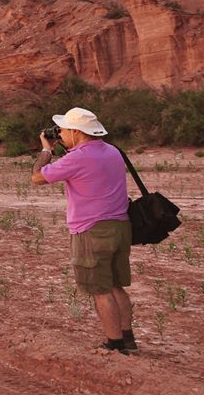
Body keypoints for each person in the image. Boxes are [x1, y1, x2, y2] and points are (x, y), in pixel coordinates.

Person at [31, 107, 136, 354]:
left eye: (65, 130)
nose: (61, 134)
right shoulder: (113, 152)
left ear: (77, 132)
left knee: (100, 289)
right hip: (120, 226)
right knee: (115, 286)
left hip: (91, 230)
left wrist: (47, 149)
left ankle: (114, 344)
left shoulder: (77, 158)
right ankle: (128, 338)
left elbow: (37, 178)